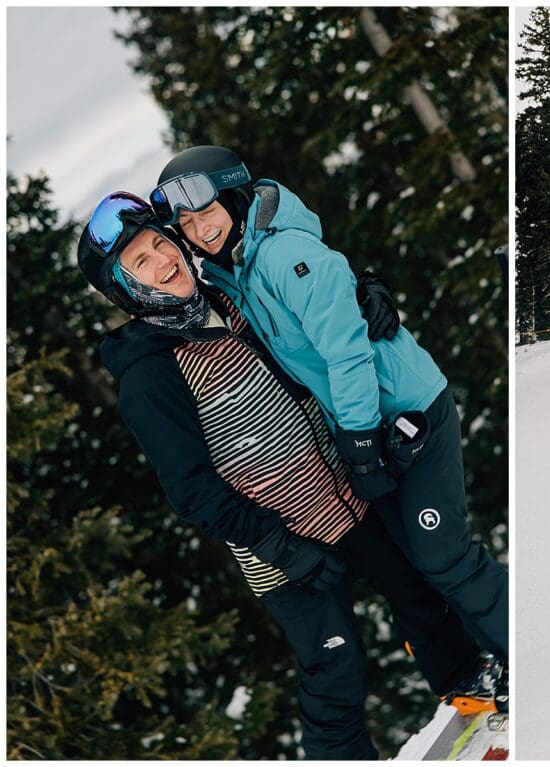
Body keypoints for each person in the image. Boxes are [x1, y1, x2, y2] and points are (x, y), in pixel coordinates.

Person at [76, 192, 496, 759]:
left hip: (342, 499)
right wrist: (280, 547)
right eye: (140, 263)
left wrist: (365, 294)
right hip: (277, 547)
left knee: (418, 592)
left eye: (159, 243)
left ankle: (471, 687)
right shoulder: (149, 374)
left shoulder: (227, 295)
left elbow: (304, 307)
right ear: (126, 291)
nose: (162, 261)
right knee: (335, 663)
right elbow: (191, 490)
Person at [148, 146, 509, 669]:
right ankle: (488, 657)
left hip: (408, 412)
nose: (199, 227)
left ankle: (519, 657)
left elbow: (345, 348)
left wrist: (360, 440)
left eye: (206, 210)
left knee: (444, 555)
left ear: (233, 197)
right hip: (366, 426)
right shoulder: (233, 272)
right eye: (185, 220)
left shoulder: (276, 253)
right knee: (419, 560)